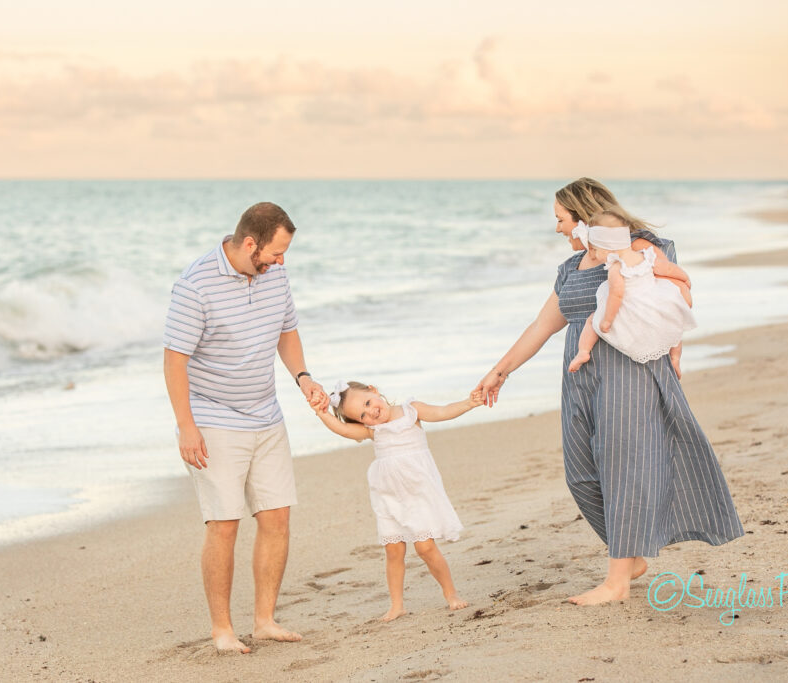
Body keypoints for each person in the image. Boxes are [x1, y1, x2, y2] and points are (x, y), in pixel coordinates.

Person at [475, 178, 743, 606]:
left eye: (561, 220)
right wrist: (499, 372)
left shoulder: (638, 250)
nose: (558, 229)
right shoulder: (571, 267)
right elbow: (542, 326)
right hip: (580, 378)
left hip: (629, 373)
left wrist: (676, 352)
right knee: (581, 474)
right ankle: (630, 554)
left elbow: (675, 299)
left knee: (624, 470)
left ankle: (617, 580)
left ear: (583, 218)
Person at [163, 201, 328, 653]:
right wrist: (186, 426)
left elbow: (286, 331)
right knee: (225, 523)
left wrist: (303, 378)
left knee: (277, 517)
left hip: (266, 414)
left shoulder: (275, 275)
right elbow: (175, 360)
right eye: (276, 252)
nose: (281, 262)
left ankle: (264, 620)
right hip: (213, 417)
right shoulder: (195, 285)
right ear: (250, 243)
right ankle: (222, 630)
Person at [312, 381, 478, 621]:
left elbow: (443, 412)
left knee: (425, 548)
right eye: (362, 414)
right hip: (388, 495)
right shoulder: (372, 431)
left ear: (374, 390)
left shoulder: (411, 410)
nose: (371, 411)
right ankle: (397, 604)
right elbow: (342, 430)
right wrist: (321, 413)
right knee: (393, 550)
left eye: (369, 402)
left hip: (418, 492)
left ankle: (451, 593)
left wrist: (469, 403)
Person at [568, 207, 696, 373]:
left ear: (607, 248)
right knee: (672, 323)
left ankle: (583, 352)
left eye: (595, 250)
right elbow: (668, 268)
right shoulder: (645, 256)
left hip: (629, 308)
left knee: (592, 321)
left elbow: (617, 294)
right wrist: (685, 278)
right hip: (652, 301)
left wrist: (607, 320)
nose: (593, 256)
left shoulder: (616, 267)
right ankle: (675, 358)